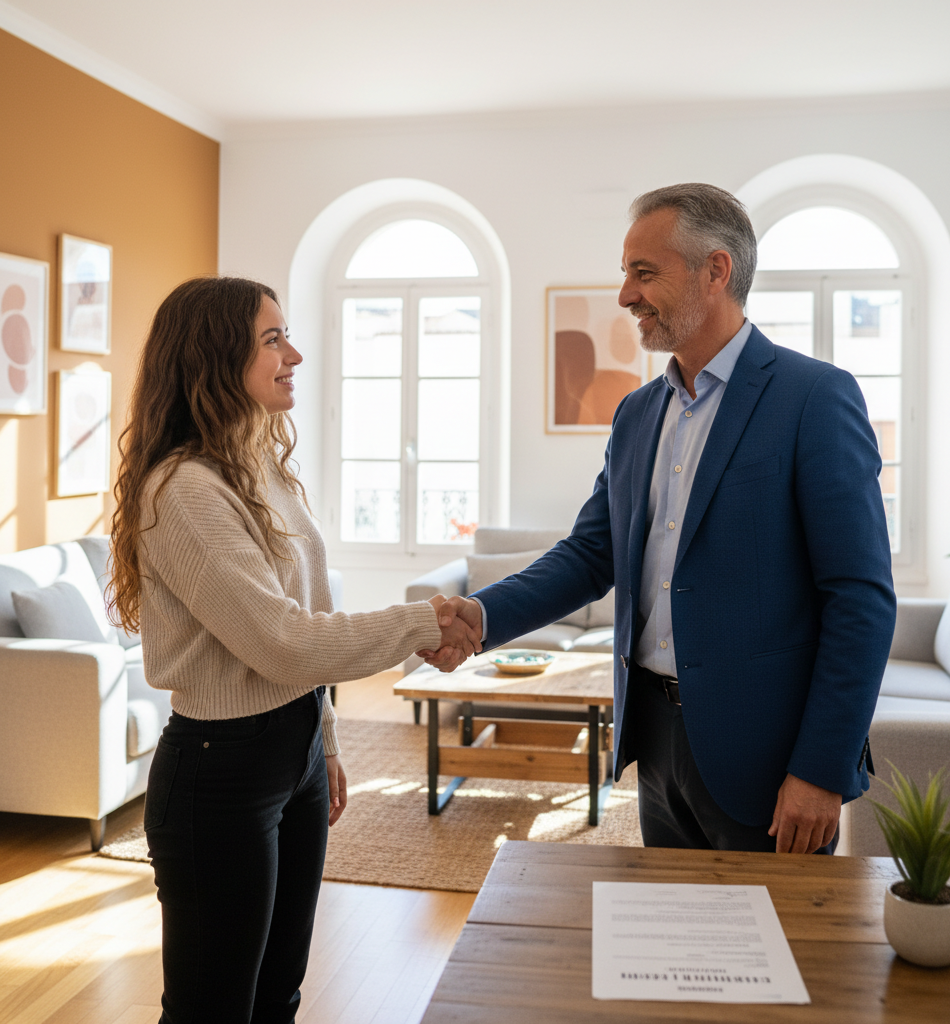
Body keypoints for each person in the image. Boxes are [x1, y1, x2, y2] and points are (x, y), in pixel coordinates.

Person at [435, 184, 897, 855]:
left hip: (767, 762)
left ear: (716, 271)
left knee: (772, 955)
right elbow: (592, 554)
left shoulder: (816, 398)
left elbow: (860, 598)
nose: (625, 295)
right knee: (672, 942)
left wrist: (821, 768)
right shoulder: (636, 414)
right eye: (626, 273)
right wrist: (482, 617)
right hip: (654, 741)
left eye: (643, 273)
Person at [108, 276, 478, 1024]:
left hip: (295, 752)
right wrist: (422, 622)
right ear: (215, 358)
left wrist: (326, 741)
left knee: (279, 996)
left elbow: (309, 611)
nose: (295, 354)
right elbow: (281, 640)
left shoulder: (262, 467)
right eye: (272, 339)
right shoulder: (181, 491)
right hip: (219, 774)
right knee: (212, 1011)